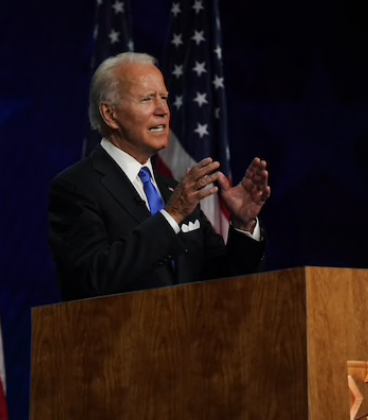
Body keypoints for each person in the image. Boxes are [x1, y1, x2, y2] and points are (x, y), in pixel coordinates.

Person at [49, 52, 271, 301]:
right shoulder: (76, 187)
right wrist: (172, 216)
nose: (163, 110)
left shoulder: (174, 191)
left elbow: (225, 284)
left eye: (164, 98)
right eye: (147, 99)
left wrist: (243, 226)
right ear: (110, 115)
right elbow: (93, 279)